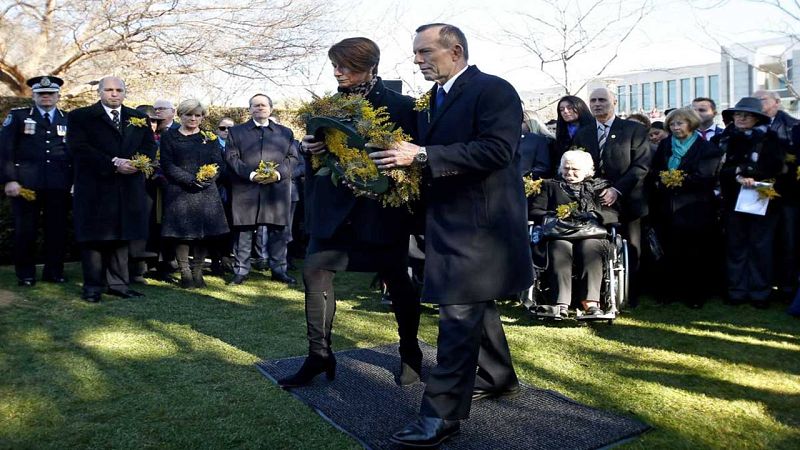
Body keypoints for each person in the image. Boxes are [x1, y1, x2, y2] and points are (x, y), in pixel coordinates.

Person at [368, 24, 533, 447]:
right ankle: (497, 376)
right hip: (446, 223)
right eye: (416, 53)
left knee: (457, 315)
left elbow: (498, 150)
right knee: (473, 304)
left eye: (425, 52)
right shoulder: (433, 99)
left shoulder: (494, 90)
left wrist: (424, 155)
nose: (417, 60)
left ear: (455, 51)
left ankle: (440, 415)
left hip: (481, 228)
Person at [277, 37, 423, 389]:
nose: (337, 72)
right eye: (334, 65)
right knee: (313, 271)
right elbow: (317, 156)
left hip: (381, 212)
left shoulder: (404, 106)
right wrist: (308, 146)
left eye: (345, 66)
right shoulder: (326, 107)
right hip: (333, 211)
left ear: (370, 66)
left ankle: (410, 352)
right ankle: (319, 356)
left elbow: (417, 160)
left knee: (397, 280)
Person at [67, 76, 157, 302]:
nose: (114, 94)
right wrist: (113, 164)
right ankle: (93, 286)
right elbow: (79, 148)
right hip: (95, 186)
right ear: (99, 92)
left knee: (121, 236)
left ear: (125, 92)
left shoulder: (139, 117)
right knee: (93, 237)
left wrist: (136, 163)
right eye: (108, 90)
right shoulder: (81, 116)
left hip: (128, 186)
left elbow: (149, 146)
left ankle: (118, 284)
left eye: (119, 90)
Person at [573, 87, 651, 307]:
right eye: (593, 100)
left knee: (632, 247)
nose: (597, 104)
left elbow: (641, 165)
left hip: (628, 199)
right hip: (594, 200)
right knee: (592, 245)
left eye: (602, 100)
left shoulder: (634, 130)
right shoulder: (584, 132)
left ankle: (631, 294)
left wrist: (617, 190)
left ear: (614, 102)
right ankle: (595, 293)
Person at [647, 108, 723, 308]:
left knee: (694, 251)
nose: (675, 127)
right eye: (672, 124)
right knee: (669, 249)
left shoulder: (707, 148)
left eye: (679, 123)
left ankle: (694, 294)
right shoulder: (665, 144)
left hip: (694, 207)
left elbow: (706, 176)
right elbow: (655, 168)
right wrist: (663, 178)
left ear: (691, 124)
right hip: (666, 206)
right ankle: (669, 291)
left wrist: (679, 179)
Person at [529, 150, 619, 317]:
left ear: (587, 170)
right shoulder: (550, 185)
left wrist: (594, 215)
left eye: (575, 169)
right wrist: (556, 215)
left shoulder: (599, 188)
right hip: (559, 233)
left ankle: (591, 304)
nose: (569, 173)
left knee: (590, 248)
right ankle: (560, 304)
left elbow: (613, 214)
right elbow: (535, 211)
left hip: (591, 234)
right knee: (559, 248)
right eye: (566, 168)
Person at [0, 76, 71, 286]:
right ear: (34, 96)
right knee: (26, 231)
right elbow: (5, 150)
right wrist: (10, 180)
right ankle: (26, 274)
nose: (46, 97)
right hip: (26, 185)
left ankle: (54, 272)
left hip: (58, 185)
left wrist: (75, 181)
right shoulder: (19, 116)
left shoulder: (68, 119)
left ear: (58, 96)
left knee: (57, 230)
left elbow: (74, 153)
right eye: (41, 94)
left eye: (50, 94)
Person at [716, 97, 786, 308]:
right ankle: (736, 291)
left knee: (760, 247)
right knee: (735, 246)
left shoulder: (771, 138)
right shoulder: (725, 138)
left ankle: (760, 292)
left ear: (757, 118)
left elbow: (777, 166)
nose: (741, 118)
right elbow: (718, 169)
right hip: (733, 199)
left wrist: (752, 175)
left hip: (762, 199)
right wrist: (737, 175)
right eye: (738, 114)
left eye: (747, 115)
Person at [225, 94, 298, 286]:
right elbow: (231, 157)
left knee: (278, 231)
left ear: (271, 108)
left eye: (263, 105)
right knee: (244, 231)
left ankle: (279, 270)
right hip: (245, 188)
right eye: (255, 105)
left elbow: (293, 158)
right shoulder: (236, 132)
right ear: (249, 109)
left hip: (276, 189)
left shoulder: (285, 132)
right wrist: (251, 175)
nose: (259, 108)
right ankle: (241, 271)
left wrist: (277, 174)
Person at [159, 99, 229, 288]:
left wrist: (208, 178)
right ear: (180, 115)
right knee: (182, 234)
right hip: (180, 191)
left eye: (198, 115)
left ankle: (198, 272)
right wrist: (190, 180)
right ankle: (185, 273)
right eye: (189, 114)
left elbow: (218, 163)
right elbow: (167, 164)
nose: (193, 118)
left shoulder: (209, 138)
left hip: (206, 192)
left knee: (203, 234)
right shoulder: (169, 136)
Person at [754, 90, 800, 301]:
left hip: (788, 195)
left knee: (789, 241)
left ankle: (787, 287)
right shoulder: (748, 125)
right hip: (758, 192)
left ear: (777, 102)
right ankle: (762, 285)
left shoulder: (794, 126)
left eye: (762, 99)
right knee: (762, 241)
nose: (758, 103)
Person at [553, 95, 594, 169]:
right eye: (561, 110)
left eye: (569, 108)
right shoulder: (562, 132)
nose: (565, 111)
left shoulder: (594, 128)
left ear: (580, 108)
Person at [518, 109, 553, 178]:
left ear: (531, 123)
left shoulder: (542, 140)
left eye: (523, 121)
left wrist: (526, 176)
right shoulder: (515, 138)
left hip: (530, 180)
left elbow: (543, 166)